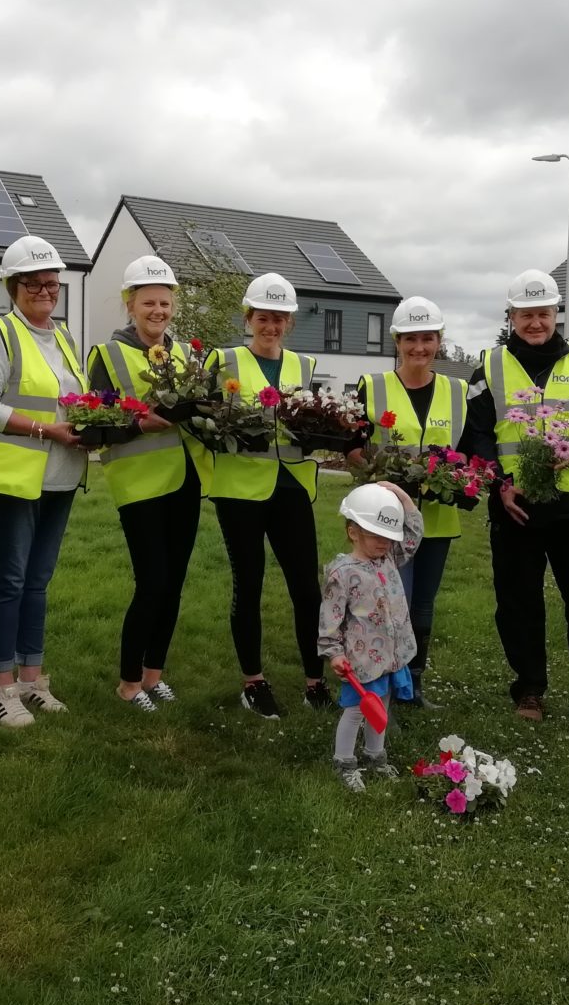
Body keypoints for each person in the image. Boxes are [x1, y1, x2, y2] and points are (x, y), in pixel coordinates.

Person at [462, 269, 569, 732]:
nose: (535, 322)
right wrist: (500, 481)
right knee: (518, 602)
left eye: (543, 313)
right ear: (511, 316)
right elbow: (475, 434)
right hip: (514, 504)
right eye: (526, 314)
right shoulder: (490, 365)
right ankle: (530, 690)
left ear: (556, 313)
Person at [0, 235, 88, 728]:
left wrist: (91, 425)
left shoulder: (63, 337)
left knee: (37, 583)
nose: (44, 291)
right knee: (8, 581)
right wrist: (45, 429)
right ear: (13, 286)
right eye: (33, 284)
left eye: (51, 284)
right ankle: (0, 686)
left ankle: (33, 680)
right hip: (9, 479)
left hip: (58, 478)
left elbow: (67, 402)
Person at [87, 255, 212, 711]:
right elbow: (93, 426)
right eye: (148, 303)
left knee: (174, 582)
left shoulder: (185, 356)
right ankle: (127, 683)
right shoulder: (107, 355)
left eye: (164, 303)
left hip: (184, 482)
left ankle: (153, 675)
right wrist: (140, 425)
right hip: (138, 485)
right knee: (152, 582)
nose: (157, 311)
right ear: (130, 305)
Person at [205, 272, 331, 718]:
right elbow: (203, 422)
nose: (271, 326)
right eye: (264, 317)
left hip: (292, 486)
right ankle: (253, 682)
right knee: (250, 585)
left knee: (306, 590)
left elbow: (310, 421)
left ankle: (315, 683)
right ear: (248, 318)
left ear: (290, 322)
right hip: (239, 490)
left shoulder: (304, 366)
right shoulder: (222, 362)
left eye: (280, 319)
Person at [352, 295, 468, 710]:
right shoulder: (374, 386)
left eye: (428, 338)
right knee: (388, 605)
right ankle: (383, 684)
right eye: (410, 339)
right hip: (385, 522)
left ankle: (413, 687)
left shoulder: (458, 390)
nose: (419, 347)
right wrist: (374, 477)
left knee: (422, 607)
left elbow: (467, 453)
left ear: (439, 341)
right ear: (396, 342)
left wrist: (458, 478)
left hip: (437, 519)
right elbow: (353, 446)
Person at [319, 483, 422, 792]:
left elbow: (414, 533)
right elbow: (330, 618)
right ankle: (344, 762)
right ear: (353, 532)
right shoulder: (344, 572)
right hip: (361, 659)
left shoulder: (388, 558)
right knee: (355, 711)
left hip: (390, 655)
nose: (385, 542)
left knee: (382, 706)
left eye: (388, 536)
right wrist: (334, 652)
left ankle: (375, 755)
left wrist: (398, 494)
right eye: (376, 535)